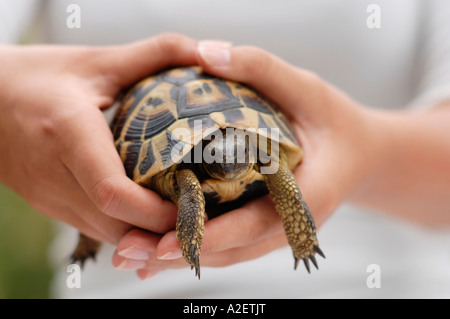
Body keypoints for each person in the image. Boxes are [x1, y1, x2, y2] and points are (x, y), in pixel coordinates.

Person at [1, 0, 450, 298]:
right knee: (175, 190)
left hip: (386, 284)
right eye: (223, 150)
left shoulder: (261, 159)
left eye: (240, 148)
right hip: (122, 283)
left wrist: (366, 156)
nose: (234, 156)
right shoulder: (187, 175)